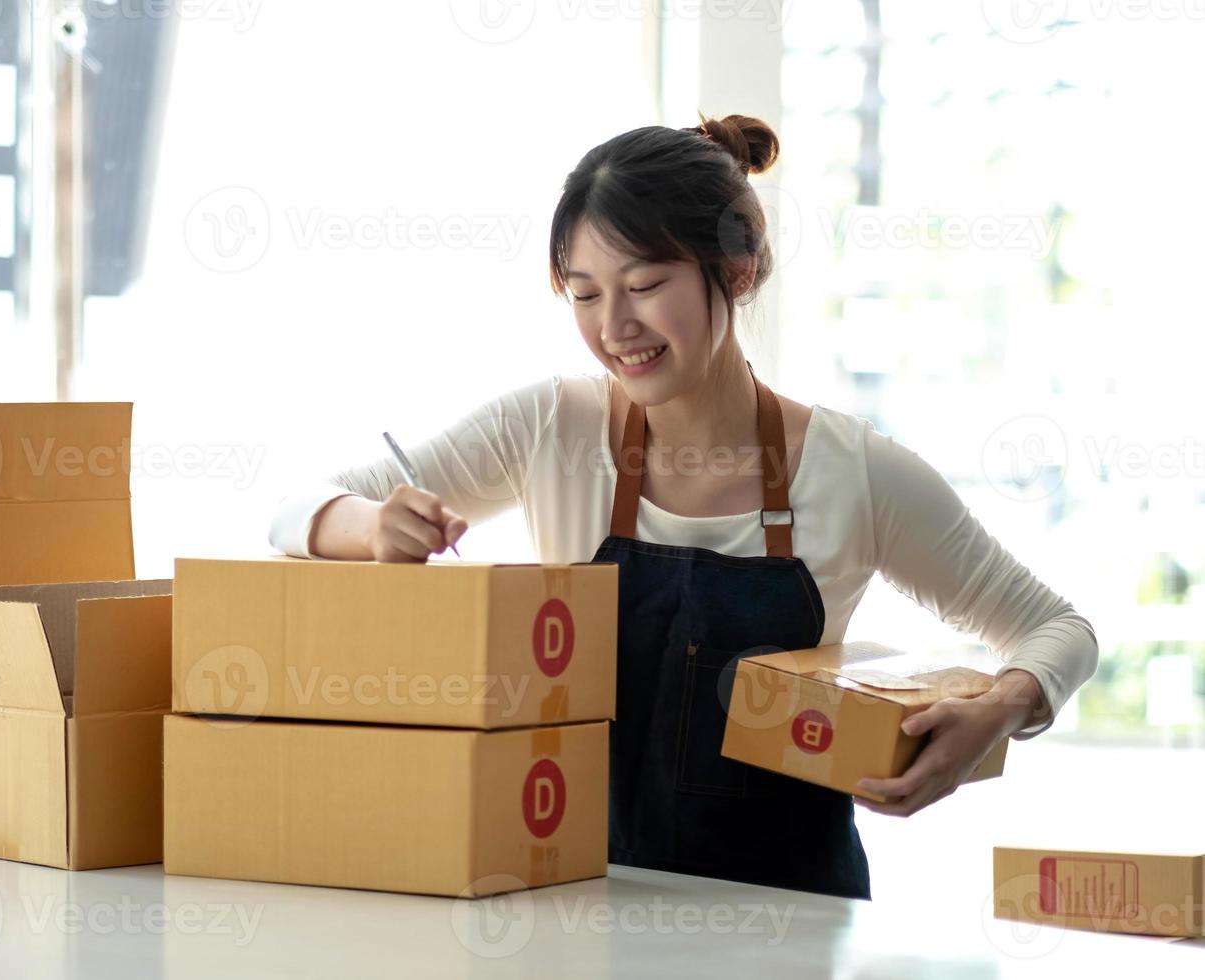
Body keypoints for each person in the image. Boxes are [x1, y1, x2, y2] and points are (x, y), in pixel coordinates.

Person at [266, 114, 1099, 900]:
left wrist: (998, 710)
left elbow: (1058, 629)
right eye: (584, 295)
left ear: (733, 272)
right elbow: (295, 509)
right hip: (579, 903)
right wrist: (374, 527)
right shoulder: (551, 427)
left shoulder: (856, 472)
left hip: (794, 922)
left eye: (644, 284)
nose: (614, 327)